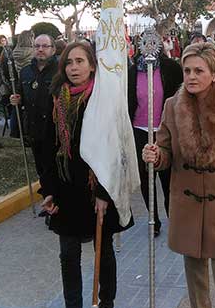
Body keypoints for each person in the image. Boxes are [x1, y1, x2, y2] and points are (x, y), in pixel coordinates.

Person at [142, 42, 215, 308]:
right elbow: (165, 149)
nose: (191, 76)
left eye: (198, 70)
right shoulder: (173, 106)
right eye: (187, 70)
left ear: (214, 73)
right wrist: (156, 155)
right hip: (188, 207)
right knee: (195, 280)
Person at [42, 41, 133, 308]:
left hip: (98, 189)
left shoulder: (103, 98)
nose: (73, 67)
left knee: (103, 253)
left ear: (93, 65)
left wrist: (104, 193)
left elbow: (114, 146)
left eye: (80, 61)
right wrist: (48, 189)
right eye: (69, 62)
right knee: (68, 255)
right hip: (66, 189)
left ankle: (106, 302)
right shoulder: (57, 98)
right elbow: (49, 147)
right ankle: (73, 305)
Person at [128, 44, 183, 236]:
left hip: (165, 130)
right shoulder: (133, 71)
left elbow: (180, 95)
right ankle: (154, 220)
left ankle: (174, 220)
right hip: (140, 129)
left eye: (153, 44)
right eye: (145, 44)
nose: (149, 48)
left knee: (168, 178)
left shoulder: (171, 68)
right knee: (146, 178)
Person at [10, 34, 58, 191]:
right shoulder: (25, 72)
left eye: (45, 46)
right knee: (42, 172)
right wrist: (15, 99)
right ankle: (48, 201)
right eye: (37, 46)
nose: (40, 49)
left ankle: (57, 204)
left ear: (53, 49)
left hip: (55, 132)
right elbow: (20, 96)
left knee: (56, 172)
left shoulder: (61, 71)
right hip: (34, 131)